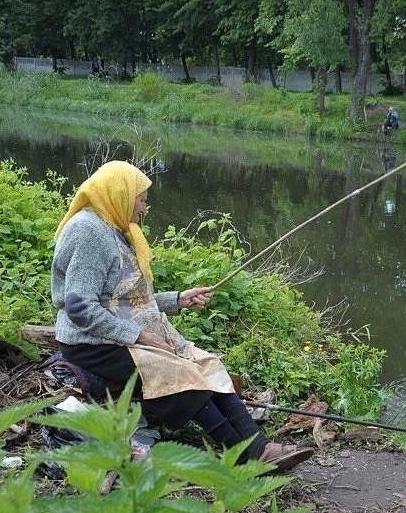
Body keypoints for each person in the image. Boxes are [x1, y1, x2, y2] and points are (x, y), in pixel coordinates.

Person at [51, 160, 314, 471]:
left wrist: (178, 300)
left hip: (116, 334)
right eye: (141, 199)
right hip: (92, 345)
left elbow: (127, 299)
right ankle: (245, 456)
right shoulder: (89, 233)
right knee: (179, 374)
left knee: (205, 362)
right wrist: (140, 337)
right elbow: (80, 309)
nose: (144, 208)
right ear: (119, 194)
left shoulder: (114, 228)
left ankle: (260, 447)